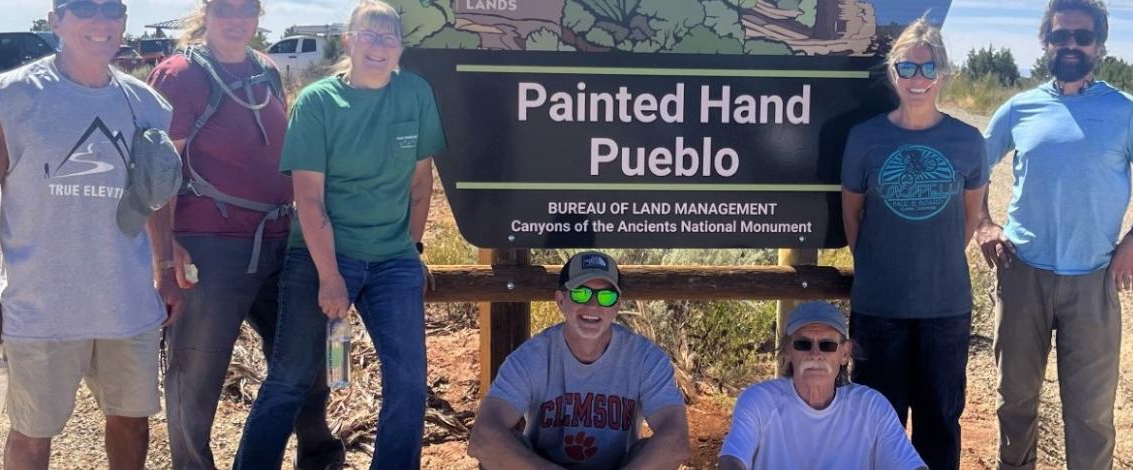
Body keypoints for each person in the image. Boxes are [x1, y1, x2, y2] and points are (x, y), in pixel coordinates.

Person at [0, 1, 182, 468]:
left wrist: (165, 270)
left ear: (123, 21)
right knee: (32, 434)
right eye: (82, 7)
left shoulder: (149, 104)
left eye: (112, 9)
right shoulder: (12, 97)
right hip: (40, 307)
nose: (100, 22)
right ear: (55, 20)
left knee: (131, 422)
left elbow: (154, 194)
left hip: (127, 303)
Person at [233, 1, 443, 468]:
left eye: (389, 37)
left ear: (401, 48)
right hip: (321, 255)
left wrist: (412, 248)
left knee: (409, 380)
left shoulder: (415, 94)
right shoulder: (318, 102)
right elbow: (308, 198)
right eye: (368, 35)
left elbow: (420, 182)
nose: (378, 46)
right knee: (291, 377)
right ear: (348, 42)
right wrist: (330, 276)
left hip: (392, 260)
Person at [977, 1, 1133, 468]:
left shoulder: (1125, 112)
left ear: (1099, 46)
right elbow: (973, 171)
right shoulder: (1019, 109)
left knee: (1090, 415)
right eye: (1060, 35)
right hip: (1021, 273)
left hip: (1093, 282)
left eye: (1081, 36)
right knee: (1015, 403)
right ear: (1045, 41)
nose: (1070, 44)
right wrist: (985, 225)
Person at [146, 1, 342, 468]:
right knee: (197, 374)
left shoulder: (265, 69)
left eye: (247, 9)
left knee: (306, 362)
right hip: (208, 246)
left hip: (280, 239)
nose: (237, 19)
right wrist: (165, 260)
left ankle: (318, 457)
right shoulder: (179, 76)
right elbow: (157, 175)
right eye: (226, 8)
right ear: (206, 12)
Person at [838, 18, 986, 470]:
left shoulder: (967, 141)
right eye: (908, 68)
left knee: (939, 424)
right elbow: (852, 214)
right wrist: (879, 264)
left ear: (943, 73)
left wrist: (933, 260)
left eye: (928, 68)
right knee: (877, 423)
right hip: (879, 307)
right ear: (893, 73)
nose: (918, 79)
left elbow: (969, 217)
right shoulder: (865, 138)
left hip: (945, 308)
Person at [468, 251, 691, 470]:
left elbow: (676, 440)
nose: (593, 306)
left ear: (617, 306)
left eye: (606, 296)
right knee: (502, 450)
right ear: (560, 300)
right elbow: (483, 436)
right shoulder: (531, 357)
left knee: (647, 450)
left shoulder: (646, 359)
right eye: (581, 294)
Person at [718, 302, 927, 470]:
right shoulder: (758, 401)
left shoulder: (872, 407)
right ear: (788, 352)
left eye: (827, 345)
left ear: (845, 353)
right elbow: (732, 460)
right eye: (803, 344)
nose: (815, 354)